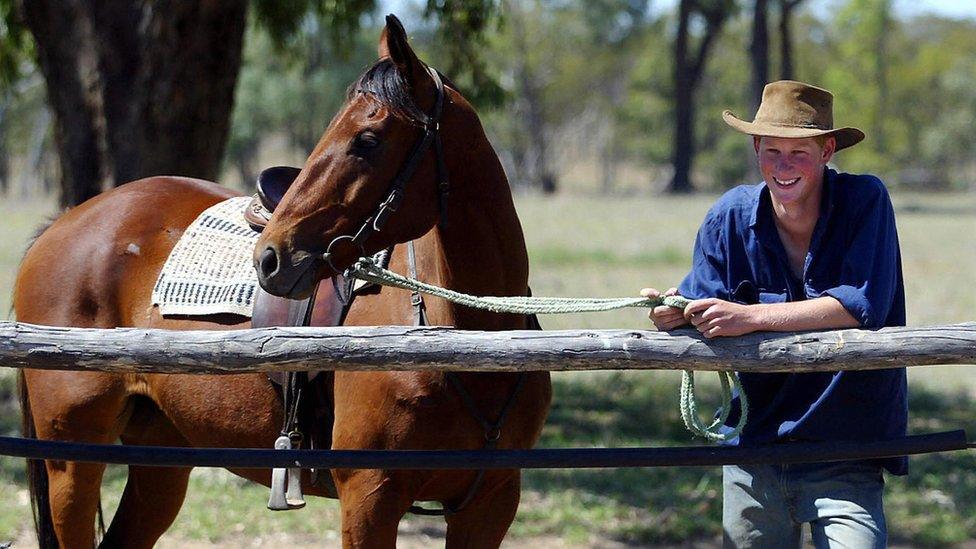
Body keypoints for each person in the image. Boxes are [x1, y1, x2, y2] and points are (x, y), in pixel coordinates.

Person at [642, 80, 907, 548]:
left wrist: (750, 317)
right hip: (753, 445)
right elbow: (703, 298)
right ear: (755, 149)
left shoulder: (866, 200)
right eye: (772, 152)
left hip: (846, 446)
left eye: (798, 152)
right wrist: (675, 311)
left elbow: (857, 307)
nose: (783, 167)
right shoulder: (729, 214)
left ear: (827, 150)